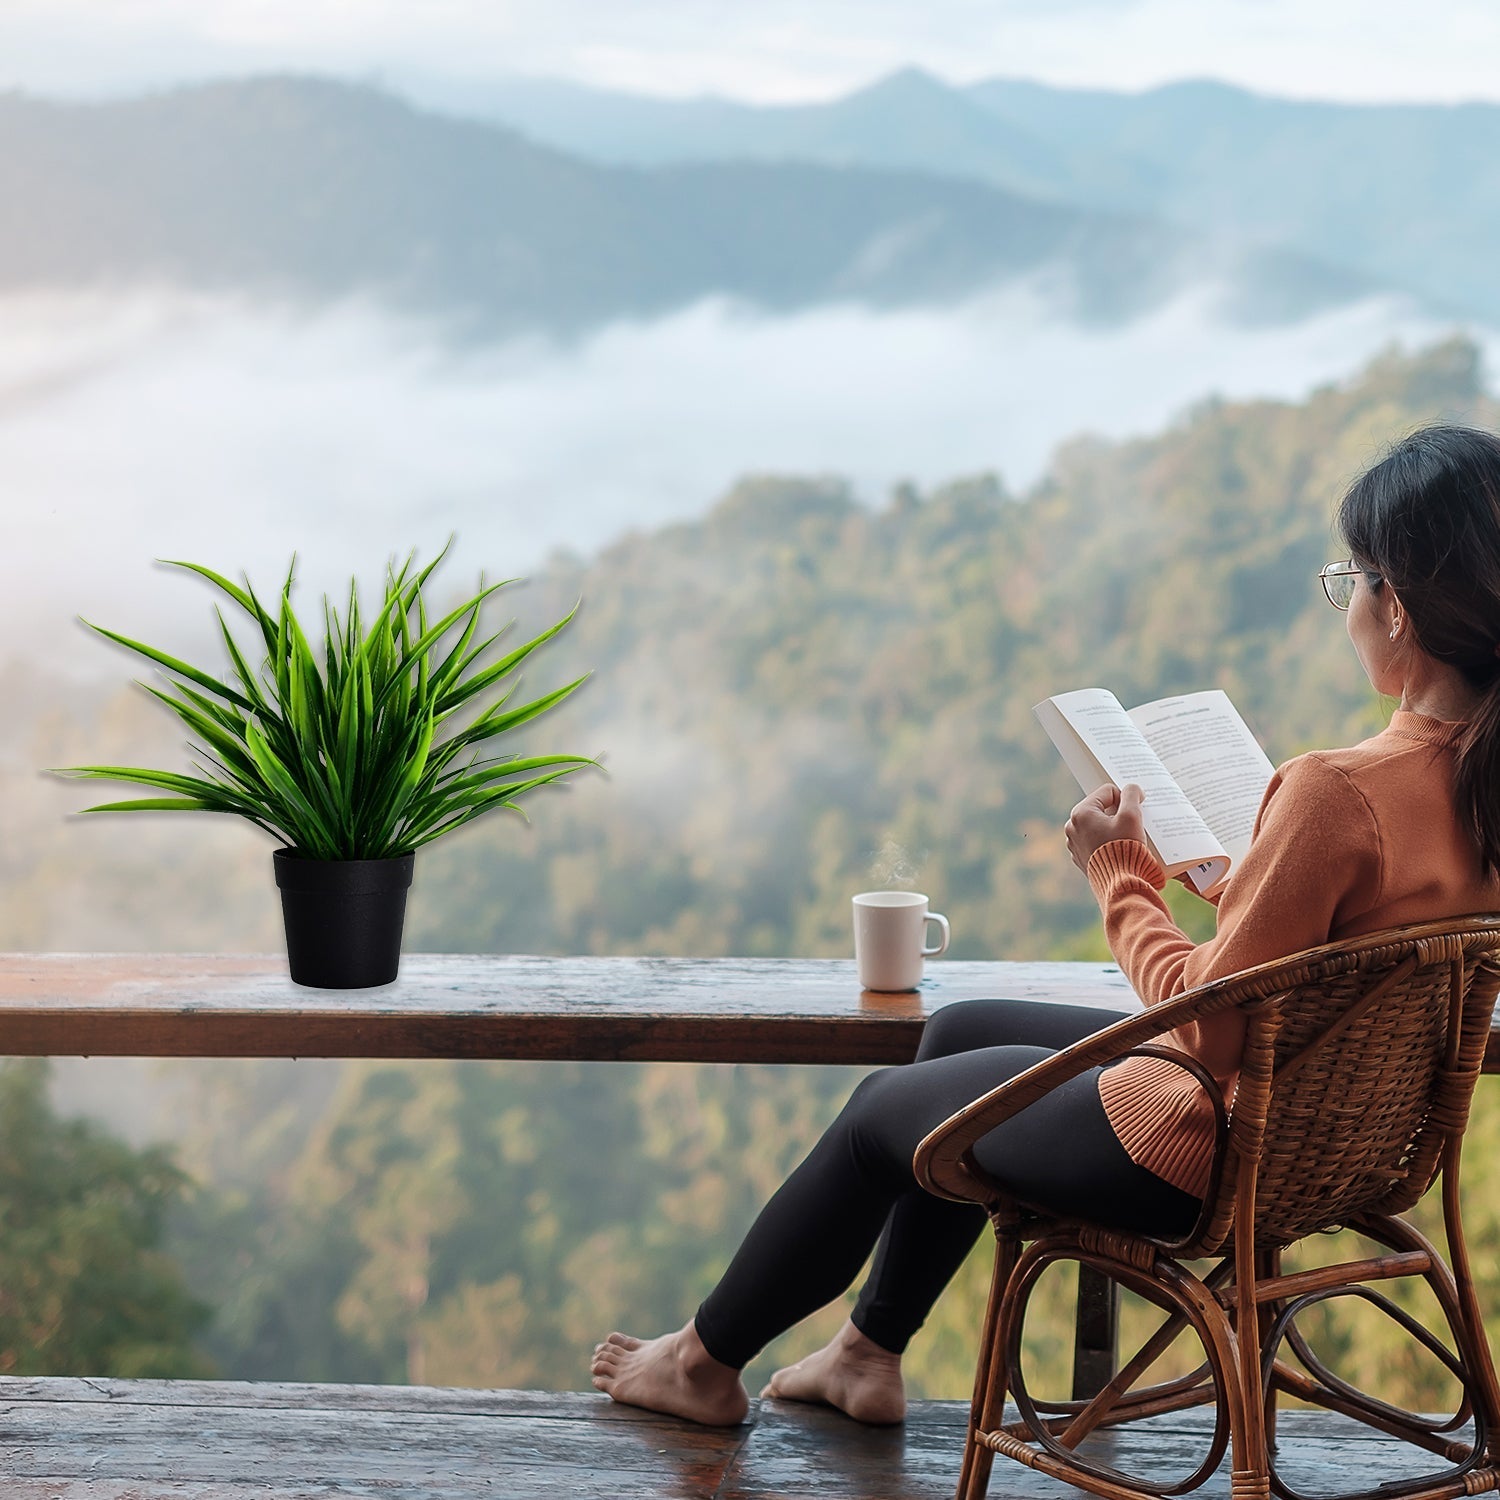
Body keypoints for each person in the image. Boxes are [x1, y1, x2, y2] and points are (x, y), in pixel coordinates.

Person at [591, 423, 1500, 1428]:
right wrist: (1246, 890)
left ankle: (700, 1364)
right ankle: (866, 1351)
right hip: (1330, 1140)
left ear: (1400, 611)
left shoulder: (1338, 794)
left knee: (880, 1117)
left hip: (1204, 1140)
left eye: (1351, 581)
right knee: (962, 1031)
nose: (1345, 604)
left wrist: (1121, 879)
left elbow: (1210, 1025)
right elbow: (1349, 949)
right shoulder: (1477, 792)